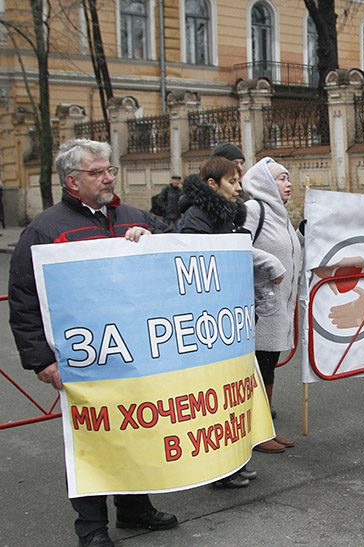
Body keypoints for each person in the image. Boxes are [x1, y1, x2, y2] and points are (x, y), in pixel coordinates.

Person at [8, 139, 177, 547]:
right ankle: (92, 527)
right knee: (90, 442)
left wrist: (153, 235)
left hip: (136, 358)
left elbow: (181, 247)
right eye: (97, 172)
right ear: (72, 180)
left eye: (110, 170)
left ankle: (135, 510)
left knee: (136, 433)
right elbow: (24, 299)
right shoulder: (45, 230)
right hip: (84, 361)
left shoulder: (134, 216)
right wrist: (41, 360)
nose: (108, 178)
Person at [180, 156, 278, 485]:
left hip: (231, 320)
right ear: (213, 185)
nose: (239, 189)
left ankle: (234, 460)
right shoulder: (197, 218)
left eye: (239, 182)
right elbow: (203, 269)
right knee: (213, 397)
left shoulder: (229, 215)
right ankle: (219, 468)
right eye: (233, 182)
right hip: (211, 322)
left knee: (232, 395)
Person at [241, 158, 302, 453]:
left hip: (280, 306)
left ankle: (265, 427)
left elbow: (291, 247)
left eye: (288, 179)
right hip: (262, 305)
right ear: (265, 183)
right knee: (261, 366)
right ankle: (256, 432)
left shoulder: (281, 215)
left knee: (268, 366)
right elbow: (239, 245)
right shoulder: (255, 209)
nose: (288, 184)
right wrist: (271, 263)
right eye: (281, 178)